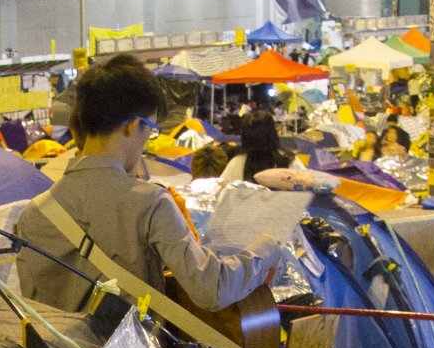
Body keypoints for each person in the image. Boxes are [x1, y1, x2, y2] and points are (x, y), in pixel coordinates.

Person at [14, 55, 287, 323]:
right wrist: (266, 249)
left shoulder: (33, 213)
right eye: (150, 131)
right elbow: (211, 288)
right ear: (134, 126)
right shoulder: (150, 203)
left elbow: (35, 309)